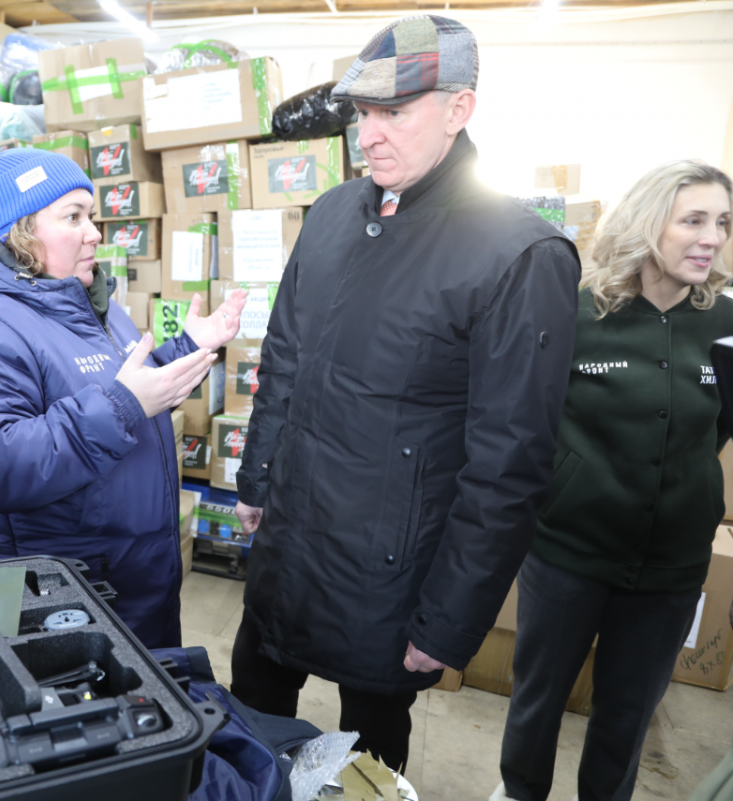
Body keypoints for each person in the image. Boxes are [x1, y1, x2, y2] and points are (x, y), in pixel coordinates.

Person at [228, 14, 582, 771]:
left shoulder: (518, 253)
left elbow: (509, 466)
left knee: (369, 759)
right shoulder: (328, 216)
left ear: (459, 110)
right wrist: (255, 479)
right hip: (290, 541)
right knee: (249, 719)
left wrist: (450, 621)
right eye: (362, 112)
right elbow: (283, 357)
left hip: (388, 575)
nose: (369, 134)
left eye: (394, 112)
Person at [0, 148, 247, 649]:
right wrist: (124, 405)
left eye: (90, 215)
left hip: (135, 584)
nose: (94, 232)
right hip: (56, 604)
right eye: (73, 217)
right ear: (20, 232)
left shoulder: (89, 302)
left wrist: (188, 349)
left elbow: (119, 390)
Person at [493, 161, 733, 801]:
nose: (712, 237)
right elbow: (530, 417)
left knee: (626, 720)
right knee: (538, 704)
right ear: (649, 223)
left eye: (723, 223)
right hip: (568, 554)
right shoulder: (576, 310)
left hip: (671, 570)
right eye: (694, 220)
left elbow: (719, 430)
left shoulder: (725, 324)